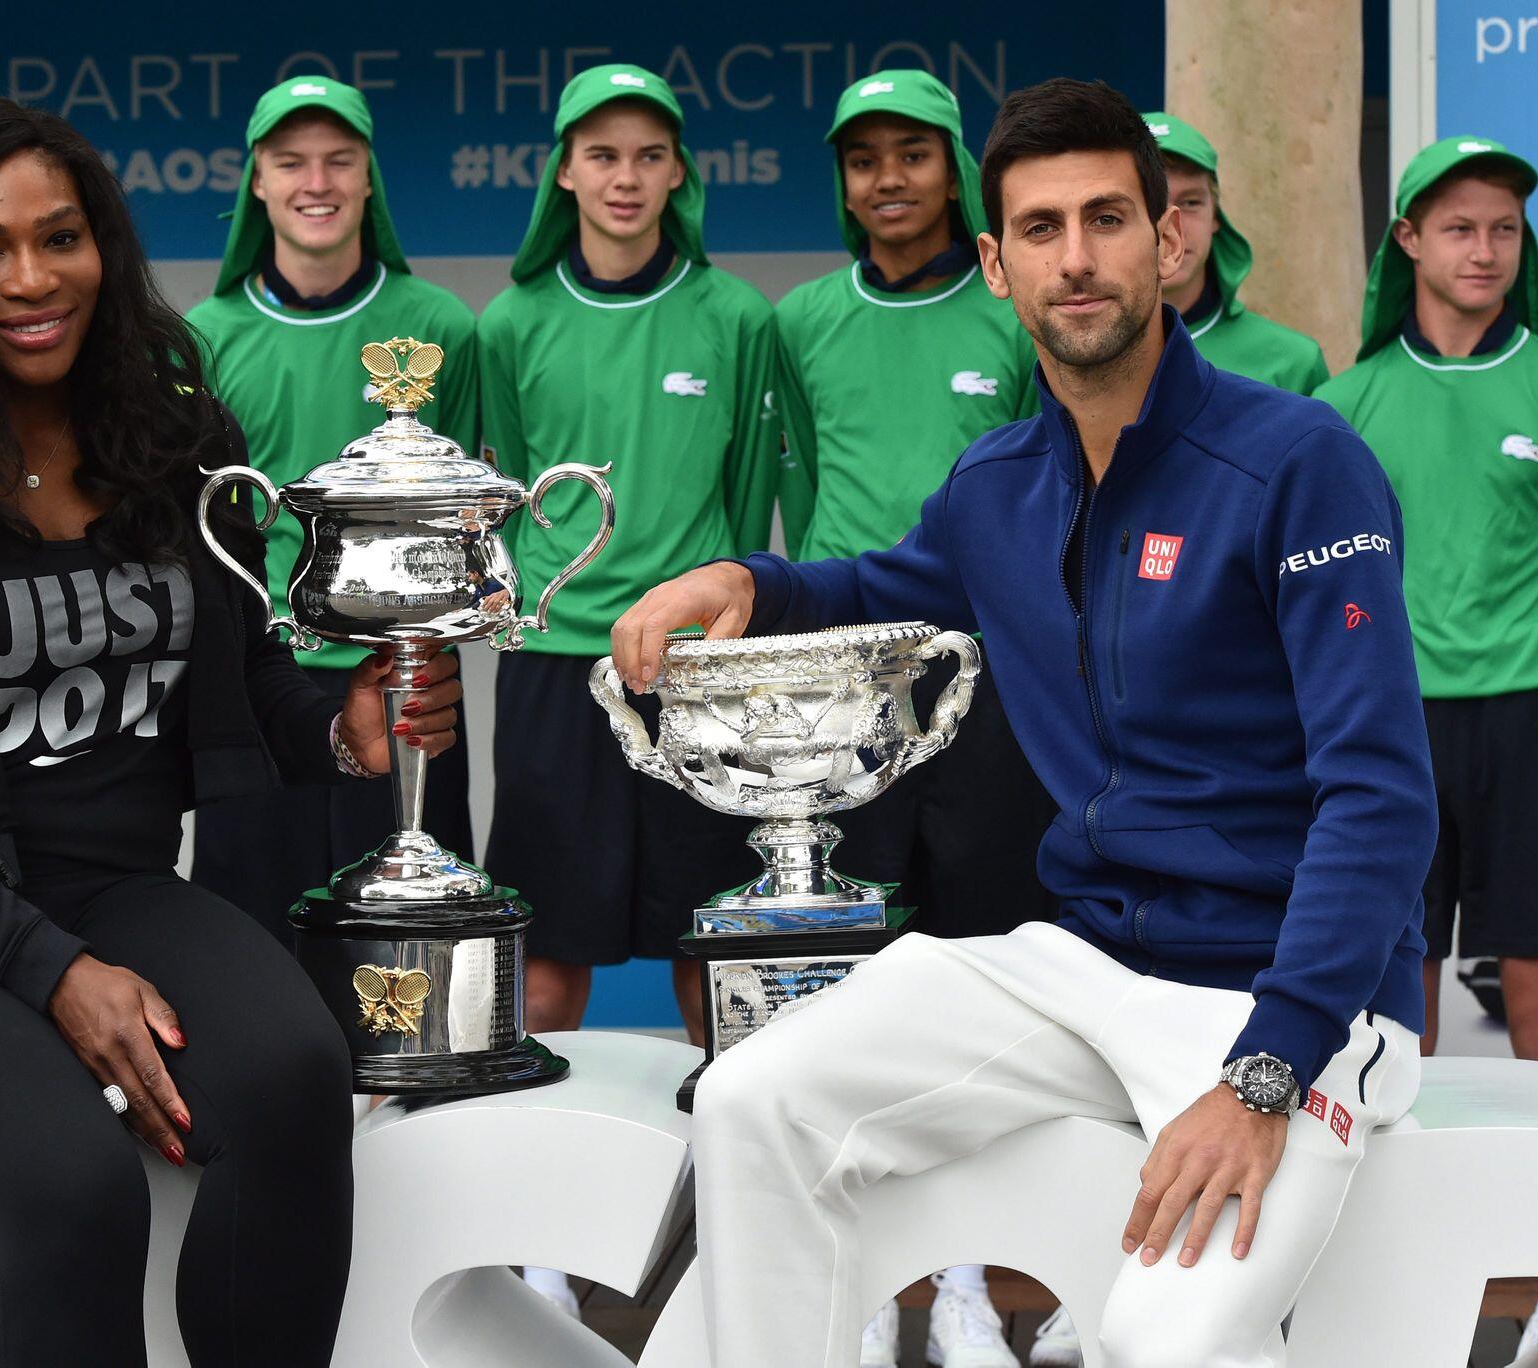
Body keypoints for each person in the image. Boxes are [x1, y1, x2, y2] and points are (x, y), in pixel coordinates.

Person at [611, 78, 1435, 1368]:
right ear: (996, 264)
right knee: (751, 1098)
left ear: (1168, 239)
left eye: (1106, 219)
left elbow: (1378, 795)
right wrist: (746, 581)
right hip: (1084, 964)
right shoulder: (994, 484)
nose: (1076, 258)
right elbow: (880, 588)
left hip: (1294, 1005)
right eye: (1040, 229)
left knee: (1163, 1344)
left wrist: (1267, 1071)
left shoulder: (1296, 462)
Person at [0, 97, 461, 1366]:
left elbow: (239, 672)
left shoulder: (171, 442)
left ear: (103, 246)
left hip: (116, 888)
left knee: (296, 1078)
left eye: (60, 238)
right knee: (77, 1194)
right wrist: (51, 972)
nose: (32, 279)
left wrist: (347, 732)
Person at [1316, 136, 1538, 1357]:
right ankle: (1408, 1287)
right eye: (1456, 228)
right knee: (1396, 1039)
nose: (1482, 251)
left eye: (1502, 228)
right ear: (1405, 240)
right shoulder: (1344, 407)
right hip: (1390, 739)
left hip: (1534, 729)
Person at [478, 60, 781, 1319]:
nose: (623, 177)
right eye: (599, 154)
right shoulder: (508, 324)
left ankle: (735, 1241)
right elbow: (504, 493)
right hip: (559, 673)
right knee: (549, 959)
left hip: (699, 679)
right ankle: (542, 1251)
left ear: (676, 174)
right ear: (563, 172)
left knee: (712, 957)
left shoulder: (734, 317)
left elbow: (754, 496)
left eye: (647, 155)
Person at [770, 69, 1057, 1368]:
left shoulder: (1008, 311)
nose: (887, 178)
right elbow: (790, 484)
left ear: (955, 173)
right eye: (863, 158)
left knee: (982, 970)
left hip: (990, 682)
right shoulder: (803, 320)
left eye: (912, 154)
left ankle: (963, 1283)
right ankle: (856, 1279)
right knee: (848, 978)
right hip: (847, 686)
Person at [186, 75, 478, 939]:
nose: (317, 182)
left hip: (405, 675)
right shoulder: (204, 336)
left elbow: (468, 515)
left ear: (368, 178)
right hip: (259, 679)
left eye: (339, 160)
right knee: (252, 938)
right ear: (258, 181)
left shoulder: (440, 324)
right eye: (291, 162)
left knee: (410, 933)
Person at [1140, 112, 1330, 395]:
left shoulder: (1293, 363)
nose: (1172, 227)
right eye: (1151, 204)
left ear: (1216, 216)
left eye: (1190, 203)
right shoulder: (1077, 353)